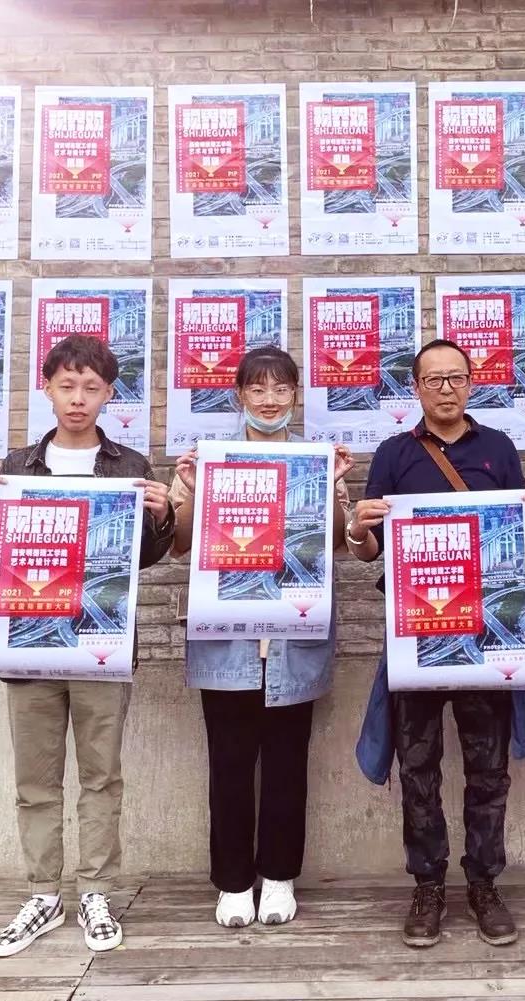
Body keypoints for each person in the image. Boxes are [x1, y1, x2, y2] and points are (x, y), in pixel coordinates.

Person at [0, 334, 174, 956]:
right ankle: (42, 894)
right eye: (67, 386)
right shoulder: (18, 465)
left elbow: (144, 559)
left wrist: (161, 515)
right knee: (36, 779)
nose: (78, 399)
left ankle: (96, 891)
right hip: (28, 639)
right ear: (47, 389)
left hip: (100, 642)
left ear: (109, 395)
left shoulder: (130, 466)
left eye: (91, 388)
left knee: (101, 776)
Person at [348, 338, 525, 948]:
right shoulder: (393, 453)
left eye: (456, 378)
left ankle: (485, 883)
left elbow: (519, 539)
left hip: (486, 631)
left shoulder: (499, 448)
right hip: (416, 631)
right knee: (417, 766)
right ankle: (428, 884)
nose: (445, 388)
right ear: (415, 388)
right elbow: (370, 549)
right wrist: (358, 531)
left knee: (488, 767)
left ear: (471, 383)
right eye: (433, 379)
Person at [170, 346, 352, 929]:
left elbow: (337, 544)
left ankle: (278, 877)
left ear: (296, 396)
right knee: (228, 765)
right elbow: (179, 545)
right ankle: (232, 882)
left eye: (281, 389)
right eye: (257, 389)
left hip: (292, 639)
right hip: (226, 643)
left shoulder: (313, 460)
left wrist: (334, 487)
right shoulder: (209, 461)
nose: (269, 400)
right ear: (239, 396)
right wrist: (191, 490)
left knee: (286, 765)